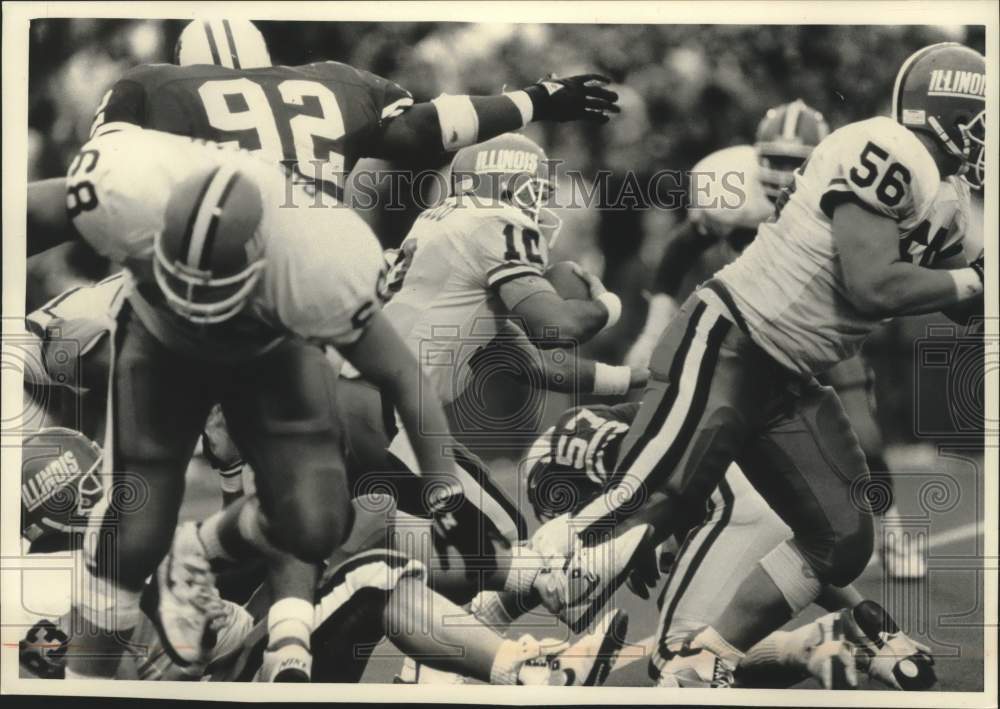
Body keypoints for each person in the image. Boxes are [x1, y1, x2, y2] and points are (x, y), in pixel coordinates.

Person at [540, 42, 984, 687]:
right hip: (734, 340)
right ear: (946, 112)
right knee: (649, 503)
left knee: (842, 538)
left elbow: (959, 297)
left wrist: (975, 284)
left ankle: (702, 662)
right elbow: (874, 286)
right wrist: (973, 281)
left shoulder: (949, 198)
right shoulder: (891, 150)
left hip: (791, 377)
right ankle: (489, 627)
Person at [59, 122, 462, 682]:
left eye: (215, 292)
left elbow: (400, 373)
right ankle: (81, 691)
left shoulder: (323, 258)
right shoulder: (120, 185)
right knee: (131, 535)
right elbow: (24, 217)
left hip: (267, 348)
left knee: (317, 520)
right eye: (181, 282)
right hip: (158, 340)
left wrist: (443, 483)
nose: (201, 308)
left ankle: (196, 548)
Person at [627, 100, 926, 578]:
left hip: (824, 327)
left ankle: (891, 529)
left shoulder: (846, 188)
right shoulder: (732, 188)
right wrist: (652, 326)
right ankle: (683, 529)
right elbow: (682, 248)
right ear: (755, 154)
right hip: (757, 326)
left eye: (795, 160)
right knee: (714, 428)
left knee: (863, 437)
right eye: (774, 159)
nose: (783, 172)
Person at [523, 403, 935, 690]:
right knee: (715, 634)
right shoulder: (616, 430)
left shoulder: (569, 458)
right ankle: (865, 637)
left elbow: (592, 543)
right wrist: (863, 612)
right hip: (764, 492)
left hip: (733, 503)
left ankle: (812, 645)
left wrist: (626, 545)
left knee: (678, 658)